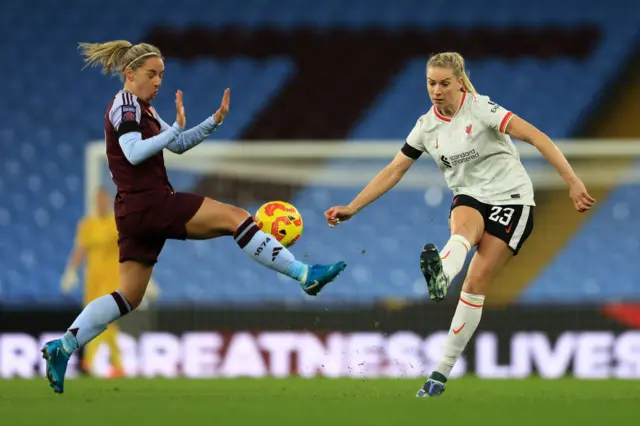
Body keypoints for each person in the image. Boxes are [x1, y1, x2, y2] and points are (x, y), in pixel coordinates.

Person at [42, 40, 346, 394]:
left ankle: (61, 348)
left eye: (162, 75)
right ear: (130, 74)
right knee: (236, 217)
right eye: (152, 74)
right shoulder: (124, 106)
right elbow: (134, 152)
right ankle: (304, 274)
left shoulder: (145, 109)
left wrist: (213, 122)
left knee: (129, 295)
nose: (158, 82)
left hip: (133, 212)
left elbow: (178, 144)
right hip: (150, 202)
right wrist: (172, 131)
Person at [324, 52, 595, 397]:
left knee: (476, 282)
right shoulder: (426, 126)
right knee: (462, 229)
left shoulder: (481, 109)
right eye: (430, 83)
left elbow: (537, 136)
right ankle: (441, 276)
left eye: (444, 83)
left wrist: (571, 180)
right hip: (470, 195)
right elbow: (395, 169)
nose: (436, 91)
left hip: (512, 199)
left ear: (459, 81)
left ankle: (440, 372)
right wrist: (353, 207)